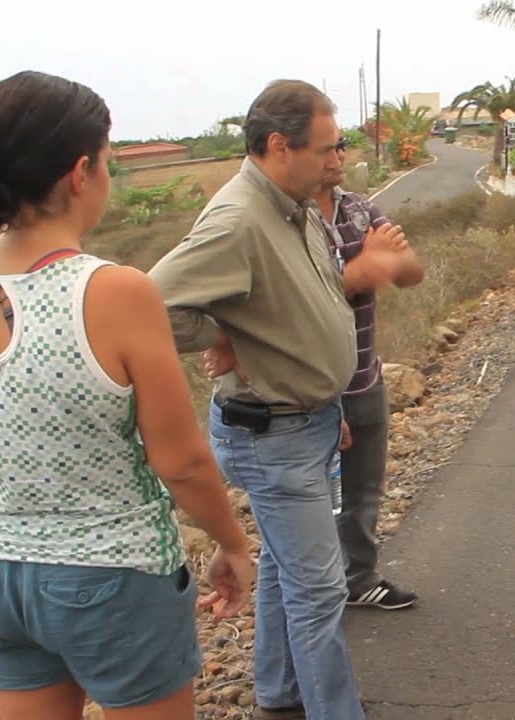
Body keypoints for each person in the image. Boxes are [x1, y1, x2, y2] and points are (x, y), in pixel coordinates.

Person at [0, 71, 254, 720]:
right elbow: (182, 461)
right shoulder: (114, 293)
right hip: (112, 575)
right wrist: (232, 543)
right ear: (81, 173)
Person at [147, 80, 373, 720]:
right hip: (271, 433)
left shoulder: (294, 204)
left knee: (284, 567)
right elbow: (150, 304)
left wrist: (327, 405)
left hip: (305, 423)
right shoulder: (240, 217)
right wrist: (222, 334)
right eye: (327, 149)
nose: (339, 161)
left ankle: (278, 693)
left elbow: (308, 305)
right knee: (319, 588)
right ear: (280, 145)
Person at [207, 137, 426, 610]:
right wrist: (365, 266)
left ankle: (358, 579)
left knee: (364, 492)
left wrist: (379, 264)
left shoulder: (359, 209)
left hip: (365, 377)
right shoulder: (288, 221)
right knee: (315, 504)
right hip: (304, 394)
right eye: (327, 148)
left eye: (341, 145)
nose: (338, 157)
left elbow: (410, 270)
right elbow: (295, 302)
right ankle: (314, 593)